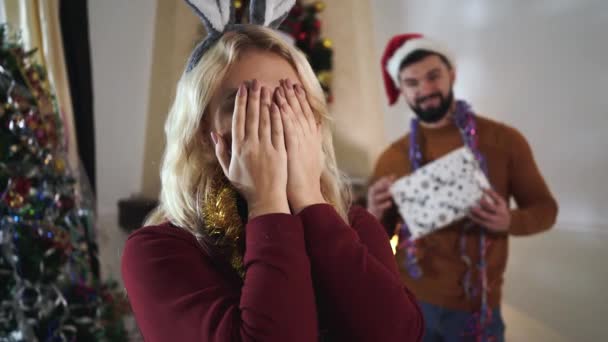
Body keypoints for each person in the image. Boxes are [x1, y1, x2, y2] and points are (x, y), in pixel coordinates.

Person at [121, 1, 423, 341]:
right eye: (244, 107)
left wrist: (309, 197)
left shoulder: (354, 227)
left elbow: (398, 334)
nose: (271, 124)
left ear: (313, 124)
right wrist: (267, 203)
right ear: (202, 135)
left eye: (287, 102)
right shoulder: (158, 251)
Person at [368, 33, 559, 342]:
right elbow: (379, 240)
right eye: (412, 83)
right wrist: (374, 213)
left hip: (478, 309)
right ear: (401, 90)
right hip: (411, 300)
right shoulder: (392, 157)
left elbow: (546, 210)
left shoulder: (504, 140)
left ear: (452, 74)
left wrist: (510, 220)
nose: (425, 90)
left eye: (433, 76)